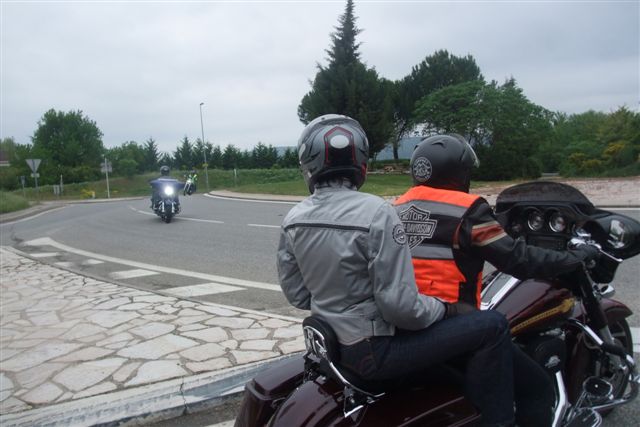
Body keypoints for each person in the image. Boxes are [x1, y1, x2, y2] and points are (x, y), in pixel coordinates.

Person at [277, 115, 516, 426]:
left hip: (335, 349)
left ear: (309, 164)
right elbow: (400, 308)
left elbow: (297, 295)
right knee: (493, 324)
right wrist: (446, 309)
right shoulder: (377, 212)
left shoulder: (293, 219)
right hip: (376, 353)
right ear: (361, 162)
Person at [394, 134, 601, 427]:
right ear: (458, 173)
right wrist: (573, 258)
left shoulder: (397, 207)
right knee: (537, 389)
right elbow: (518, 260)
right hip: (454, 325)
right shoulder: (467, 211)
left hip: (409, 322)